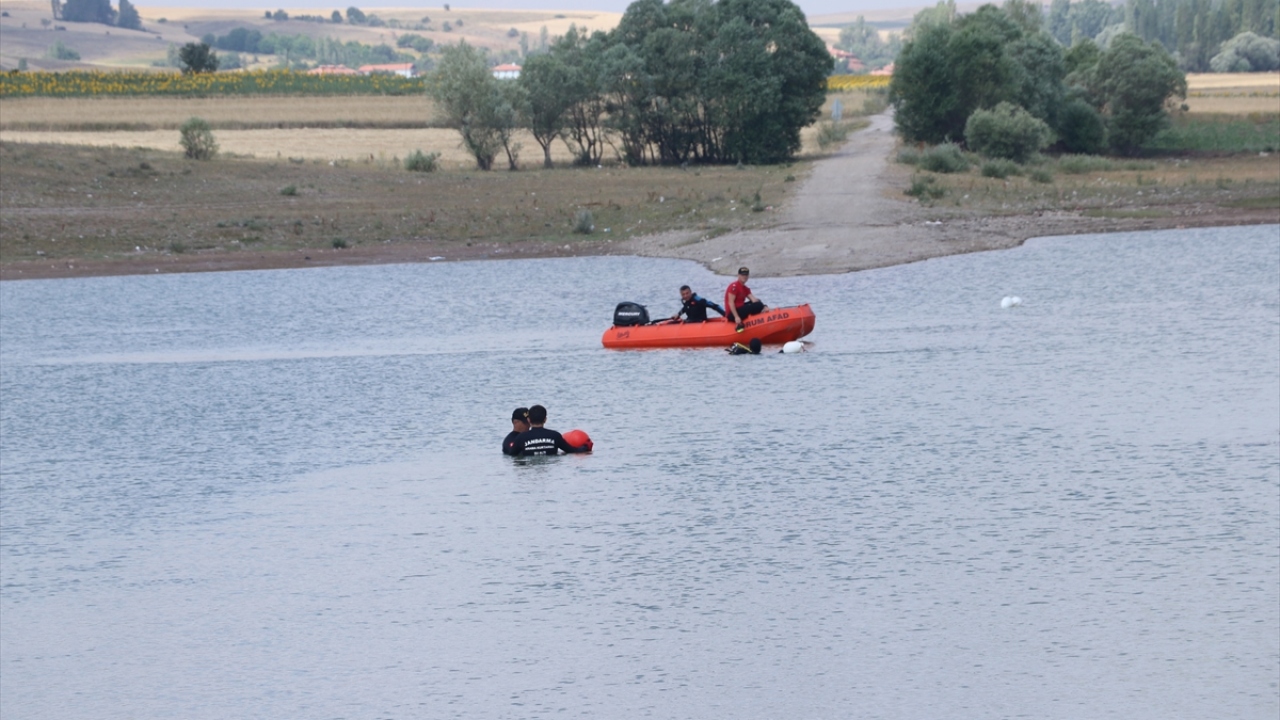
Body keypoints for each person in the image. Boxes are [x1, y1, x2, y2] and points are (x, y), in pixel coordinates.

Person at [514, 404, 592, 456]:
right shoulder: (555, 436)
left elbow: (512, 455)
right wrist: (585, 447)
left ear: (529, 420)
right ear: (545, 419)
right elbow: (571, 450)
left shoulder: (521, 438)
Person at [724, 266, 767, 332]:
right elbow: (731, 303)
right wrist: (736, 317)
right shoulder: (734, 286)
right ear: (738, 275)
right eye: (742, 275)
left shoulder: (745, 288)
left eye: (746, 275)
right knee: (758, 305)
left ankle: (762, 316)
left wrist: (764, 306)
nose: (744, 276)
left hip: (740, 309)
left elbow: (754, 300)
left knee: (758, 303)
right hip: (732, 313)